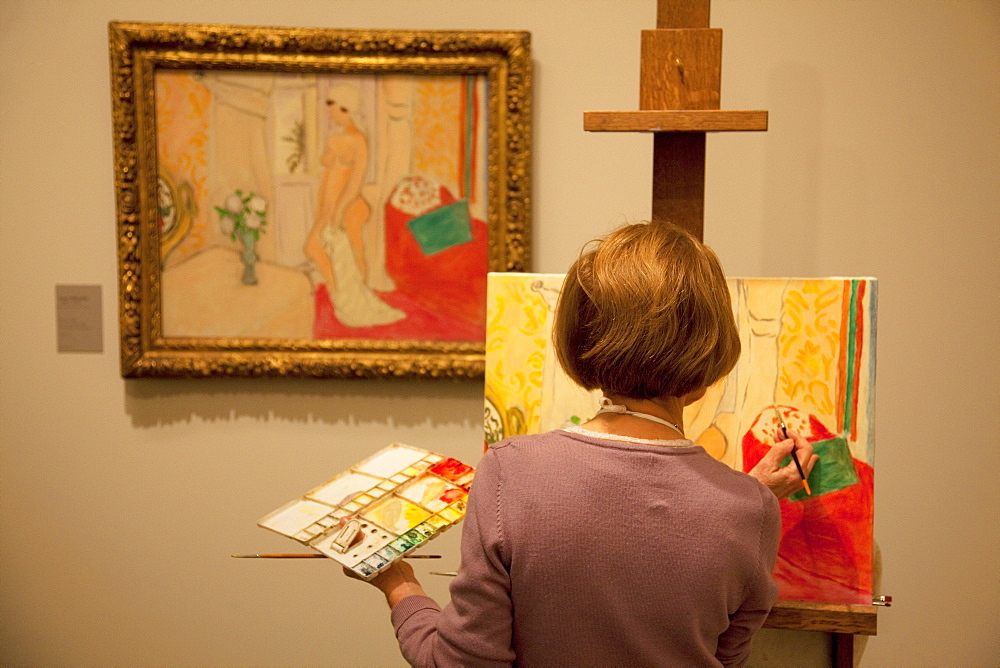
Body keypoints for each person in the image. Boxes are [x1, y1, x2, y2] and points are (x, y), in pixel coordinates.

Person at [348, 220, 815, 666]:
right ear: (711, 360)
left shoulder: (510, 472)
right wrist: (742, 497)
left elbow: (461, 663)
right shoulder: (751, 511)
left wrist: (397, 581)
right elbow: (720, 654)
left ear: (577, 337)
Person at [303, 82, 404, 328]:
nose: (330, 112)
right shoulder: (335, 138)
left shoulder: (359, 140)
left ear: (346, 108)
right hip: (331, 205)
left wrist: (337, 212)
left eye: (333, 108)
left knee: (349, 253)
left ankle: (347, 298)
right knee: (318, 249)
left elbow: (354, 183)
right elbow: (326, 179)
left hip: (349, 206)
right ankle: (342, 296)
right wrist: (323, 210)